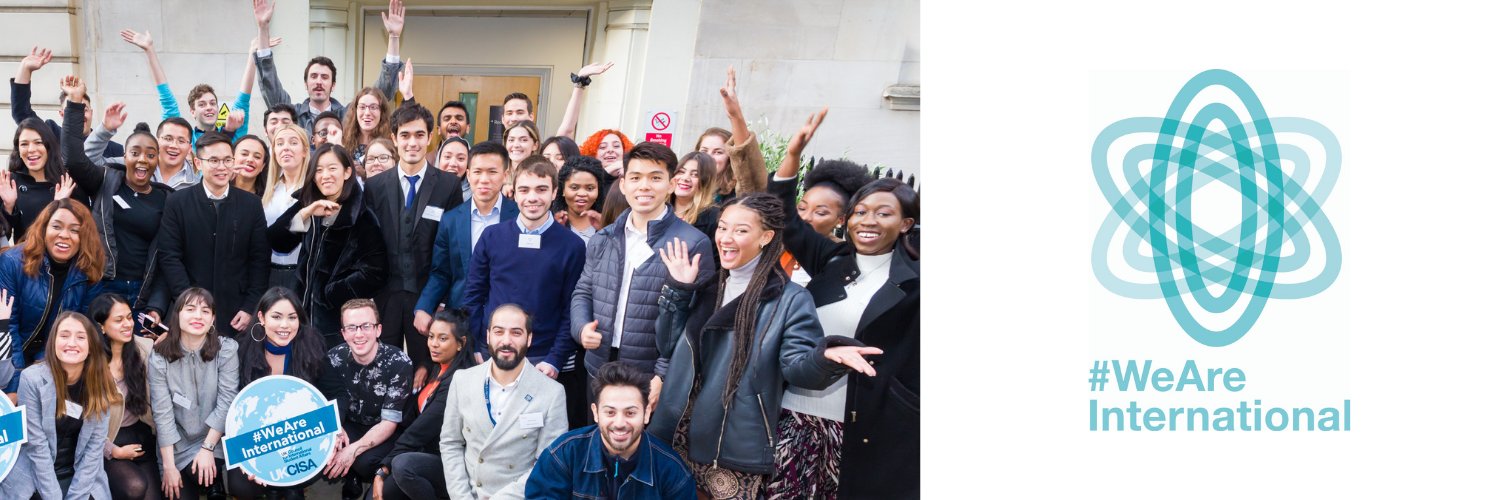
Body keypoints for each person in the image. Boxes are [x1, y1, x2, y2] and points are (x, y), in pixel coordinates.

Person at [649, 193, 877, 499]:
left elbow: (797, 368)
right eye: (723, 228)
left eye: (741, 231)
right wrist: (678, 289)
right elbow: (666, 345)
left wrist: (825, 357)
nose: (726, 238)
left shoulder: (789, 299)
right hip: (677, 429)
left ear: (765, 237)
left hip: (730, 441)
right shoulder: (708, 285)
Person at [769, 109, 920, 499]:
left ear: (906, 223)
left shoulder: (919, 281)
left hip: (867, 425)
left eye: (884, 213)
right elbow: (785, 218)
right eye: (860, 212)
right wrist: (793, 155)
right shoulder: (831, 260)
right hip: (798, 414)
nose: (868, 221)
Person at [570, 142, 713, 406]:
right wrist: (580, 327)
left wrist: (663, 372)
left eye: (655, 178)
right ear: (623, 185)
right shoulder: (604, 237)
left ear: (671, 184)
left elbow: (696, 322)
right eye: (635, 178)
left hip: (648, 376)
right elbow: (583, 290)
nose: (644, 186)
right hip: (598, 366)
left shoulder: (692, 243)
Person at [464, 156, 587, 427]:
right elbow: (473, 295)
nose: (533, 197)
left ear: (555, 192)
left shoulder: (572, 246)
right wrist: (476, 347)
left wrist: (555, 359)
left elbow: (572, 309)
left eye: (541, 189)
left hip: (542, 361)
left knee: (534, 436)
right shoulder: (492, 237)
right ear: (513, 191)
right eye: (525, 189)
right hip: (492, 354)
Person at [365, 103, 463, 385]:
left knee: (428, 370)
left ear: (430, 137)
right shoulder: (375, 186)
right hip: (385, 297)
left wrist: (440, 300)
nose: (412, 142)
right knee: (382, 369)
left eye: (419, 135)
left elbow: (452, 248)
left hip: (427, 297)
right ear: (394, 138)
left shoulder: (448, 185)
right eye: (405, 135)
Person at [59, 79, 175, 311]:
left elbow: (167, 258)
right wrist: (74, 102)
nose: (143, 159)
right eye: (135, 153)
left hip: (143, 293)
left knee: (136, 348)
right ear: (125, 156)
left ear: (157, 160)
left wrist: (156, 306)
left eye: (150, 155)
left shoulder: (167, 199)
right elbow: (72, 158)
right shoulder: (106, 181)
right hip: (102, 286)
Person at [439, 304, 567, 500]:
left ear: (529, 338)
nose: (506, 341)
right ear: (488, 336)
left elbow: (547, 463)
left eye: (516, 333)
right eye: (499, 332)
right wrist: (461, 496)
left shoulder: (552, 393)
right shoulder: (462, 380)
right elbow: (450, 443)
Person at [149, 132, 271, 336]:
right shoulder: (178, 202)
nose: (221, 167)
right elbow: (170, 255)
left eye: (227, 160)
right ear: (197, 162)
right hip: (189, 307)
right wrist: (189, 301)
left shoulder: (251, 204)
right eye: (213, 160)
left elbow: (259, 260)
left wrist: (250, 306)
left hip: (235, 311)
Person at [267, 144, 388, 345]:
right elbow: (276, 241)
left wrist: (330, 293)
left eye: (332, 168)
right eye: (319, 170)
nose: (325, 176)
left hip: (337, 325)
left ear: (347, 172)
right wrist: (305, 213)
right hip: (301, 320)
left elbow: (377, 271)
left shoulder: (361, 216)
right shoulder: (309, 204)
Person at [526, 362, 696, 499]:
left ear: (646, 414)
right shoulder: (563, 455)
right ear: (595, 412)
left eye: (630, 413)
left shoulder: (672, 472)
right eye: (610, 412)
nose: (620, 423)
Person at [2, 311, 118, 499]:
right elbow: (36, 447)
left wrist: (76, 497)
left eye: (81, 337)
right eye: (64, 335)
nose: (71, 343)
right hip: (35, 472)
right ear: (53, 343)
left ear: (91, 347)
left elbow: (93, 450)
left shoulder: (102, 384)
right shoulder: (32, 379)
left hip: (79, 474)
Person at [226, 287, 327, 499]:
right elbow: (233, 407)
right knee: (242, 487)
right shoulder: (242, 349)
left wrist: (333, 432)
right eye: (276, 316)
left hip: (297, 435)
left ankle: (287, 487)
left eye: (292, 317)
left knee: (293, 493)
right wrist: (247, 459)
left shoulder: (313, 344)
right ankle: (275, 488)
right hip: (256, 435)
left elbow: (333, 392)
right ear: (261, 317)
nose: (284, 325)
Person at [413, 141, 516, 341]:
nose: (484, 179)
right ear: (468, 174)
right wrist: (424, 307)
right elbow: (440, 272)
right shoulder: (451, 219)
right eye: (477, 172)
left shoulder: (518, 217)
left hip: (506, 320)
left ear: (505, 175)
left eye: (492, 172)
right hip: (461, 317)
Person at [0, 199, 104, 393]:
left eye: (75, 230)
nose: (64, 235)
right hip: (8, 357)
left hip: (52, 357)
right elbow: (8, 326)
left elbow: (80, 328)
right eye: (56, 226)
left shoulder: (89, 272)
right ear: (43, 229)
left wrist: (44, 370)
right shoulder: (12, 262)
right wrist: (15, 384)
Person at [253, 0, 404, 133]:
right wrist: (263, 28)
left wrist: (394, 37)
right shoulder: (293, 115)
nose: (319, 81)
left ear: (333, 85)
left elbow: (380, 94)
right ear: (306, 84)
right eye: (313, 76)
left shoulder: (348, 116)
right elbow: (269, 85)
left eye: (325, 77)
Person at [148, 287, 241, 500]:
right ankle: (209, 482)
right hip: (177, 443)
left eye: (205, 311)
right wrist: (169, 467)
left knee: (202, 472)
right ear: (177, 315)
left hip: (216, 438)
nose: (198, 316)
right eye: (190, 309)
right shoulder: (159, 357)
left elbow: (227, 401)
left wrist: (208, 448)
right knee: (176, 492)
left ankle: (215, 482)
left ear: (213, 319)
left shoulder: (226, 349)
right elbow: (162, 415)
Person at [373, 308, 475, 500]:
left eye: (443, 339)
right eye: (431, 337)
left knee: (402, 466)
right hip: (421, 451)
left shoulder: (459, 380)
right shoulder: (436, 368)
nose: (434, 344)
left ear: (460, 344)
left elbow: (420, 430)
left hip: (449, 464)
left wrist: (383, 469)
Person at [319, 298, 412, 499]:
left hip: (384, 428)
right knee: (325, 447)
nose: (359, 334)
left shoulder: (399, 362)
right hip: (348, 424)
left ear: (378, 330)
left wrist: (353, 450)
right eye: (351, 328)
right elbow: (325, 402)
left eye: (366, 326)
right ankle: (350, 477)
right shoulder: (333, 358)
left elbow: (390, 422)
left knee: (364, 461)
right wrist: (336, 429)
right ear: (343, 333)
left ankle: (361, 474)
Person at [119, 28, 252, 145]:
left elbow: (243, 100)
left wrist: (253, 55)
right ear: (192, 111)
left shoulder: (234, 132)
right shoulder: (185, 139)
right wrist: (150, 50)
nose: (209, 108)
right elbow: (167, 101)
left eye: (212, 103)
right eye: (202, 104)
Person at [91, 293, 160, 500]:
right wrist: (113, 451)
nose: (127, 324)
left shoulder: (144, 348)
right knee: (134, 487)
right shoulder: (89, 362)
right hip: (107, 439)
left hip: (141, 436)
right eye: (119, 320)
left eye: (129, 317)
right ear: (101, 326)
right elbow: (84, 423)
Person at [9, 45, 124, 158]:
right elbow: (21, 113)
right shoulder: (52, 136)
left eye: (84, 110)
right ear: (62, 114)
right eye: (71, 110)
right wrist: (25, 68)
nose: (78, 115)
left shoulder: (115, 150)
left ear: (91, 113)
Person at [779, 159, 873, 286]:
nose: (805, 217)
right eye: (801, 208)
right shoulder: (778, 245)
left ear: (841, 220)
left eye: (820, 213)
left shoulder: (843, 258)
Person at [3, 116, 86, 242]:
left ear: (49, 146)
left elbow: (84, 233)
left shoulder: (68, 183)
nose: (31, 150)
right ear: (18, 150)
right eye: (24, 144)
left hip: (62, 260)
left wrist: (61, 206)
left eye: (38, 142)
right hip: (24, 259)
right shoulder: (9, 183)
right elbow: (3, 238)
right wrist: (8, 207)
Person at [694, 66, 766, 202]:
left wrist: (735, 116)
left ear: (730, 159)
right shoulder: (682, 187)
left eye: (718, 152)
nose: (709, 157)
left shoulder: (735, 195)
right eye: (704, 150)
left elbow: (745, 161)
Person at [86, 114, 199, 191]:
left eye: (181, 141)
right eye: (168, 138)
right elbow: (88, 163)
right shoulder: (132, 165)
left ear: (189, 148)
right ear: (157, 141)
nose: (174, 145)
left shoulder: (197, 185)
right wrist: (105, 130)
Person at [263, 125, 312, 292]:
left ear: (305, 150)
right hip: (268, 274)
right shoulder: (268, 190)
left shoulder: (313, 190)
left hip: (300, 276)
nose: (286, 148)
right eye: (280, 143)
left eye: (293, 142)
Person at [552, 155, 607, 243]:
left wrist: (606, 231)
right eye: (574, 187)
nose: (582, 194)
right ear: (563, 190)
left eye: (590, 188)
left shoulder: (609, 225)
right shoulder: (550, 222)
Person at [669, 151, 722, 239]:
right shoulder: (658, 208)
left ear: (706, 182)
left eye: (695, 175)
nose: (685, 178)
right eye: (681, 172)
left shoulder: (715, 218)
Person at [341, 87, 393, 166]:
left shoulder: (391, 142)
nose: (367, 113)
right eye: (362, 107)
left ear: (382, 112)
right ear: (355, 111)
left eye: (373, 107)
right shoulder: (343, 140)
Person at [435, 136, 471, 200]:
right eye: (447, 156)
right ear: (439, 160)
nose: (453, 164)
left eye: (460, 158)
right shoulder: (426, 191)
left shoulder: (476, 198)